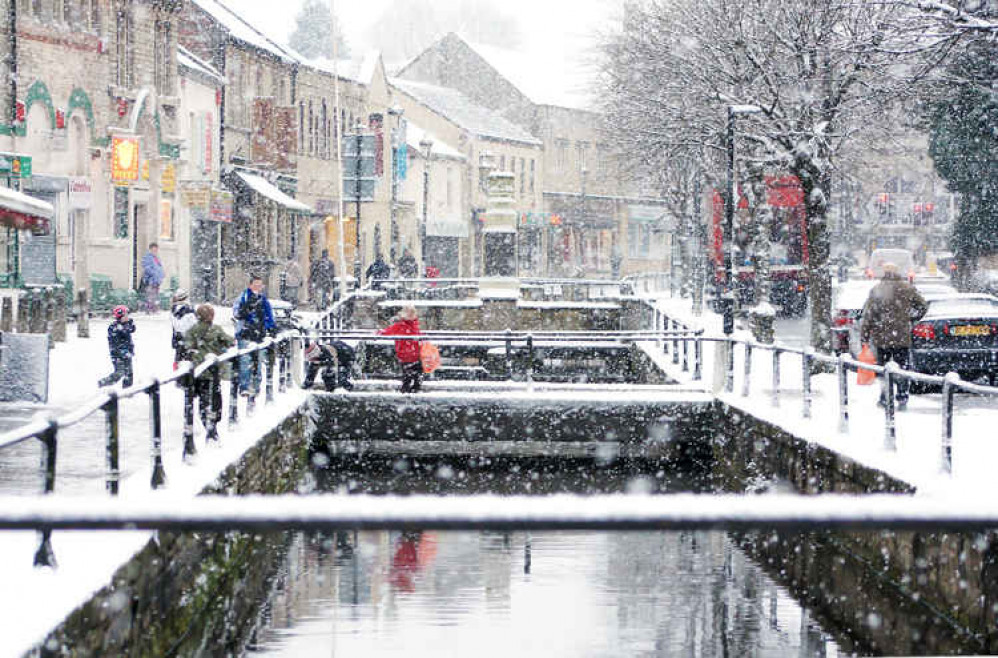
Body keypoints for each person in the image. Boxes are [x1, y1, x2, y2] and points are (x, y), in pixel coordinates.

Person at [860, 262, 927, 410]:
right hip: (901, 337)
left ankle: (885, 397)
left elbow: (869, 315)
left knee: (884, 369)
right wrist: (911, 319)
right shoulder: (907, 288)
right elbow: (923, 306)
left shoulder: (877, 290)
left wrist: (864, 335)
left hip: (881, 337)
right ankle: (902, 396)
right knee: (902, 367)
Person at [183, 304, 235, 439]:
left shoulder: (192, 330)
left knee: (203, 399)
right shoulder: (215, 329)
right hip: (213, 373)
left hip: (199, 372)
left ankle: (205, 420)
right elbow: (230, 341)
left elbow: (187, 346)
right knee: (215, 398)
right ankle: (213, 426)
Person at [233, 275, 276, 396]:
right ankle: (245, 387)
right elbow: (237, 314)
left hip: (259, 336)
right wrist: (245, 311)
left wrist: (267, 328)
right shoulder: (243, 298)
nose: (258, 287)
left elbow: (269, 317)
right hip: (246, 334)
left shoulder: (263, 300)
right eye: (256, 284)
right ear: (250, 285)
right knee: (245, 361)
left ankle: (256, 388)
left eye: (260, 285)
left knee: (258, 362)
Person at [378, 304, 422, 393]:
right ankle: (413, 387)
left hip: (405, 353)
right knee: (415, 373)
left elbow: (387, 332)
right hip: (414, 353)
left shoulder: (400, 326)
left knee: (408, 373)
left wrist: (378, 333)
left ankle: (406, 389)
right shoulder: (414, 325)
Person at [98, 305, 135, 388]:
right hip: (117, 355)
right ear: (120, 316)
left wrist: (129, 322)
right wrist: (123, 352)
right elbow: (115, 344)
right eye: (126, 315)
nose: (128, 317)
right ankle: (102, 383)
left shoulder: (126, 325)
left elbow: (132, 328)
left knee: (129, 374)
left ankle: (128, 391)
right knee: (119, 373)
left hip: (127, 353)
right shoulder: (114, 328)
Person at [170, 288, 197, 368]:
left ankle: (177, 373)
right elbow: (193, 324)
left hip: (178, 339)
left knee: (178, 358)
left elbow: (176, 326)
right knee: (188, 361)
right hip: (188, 339)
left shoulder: (174, 310)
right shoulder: (189, 309)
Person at [140, 242, 165, 314]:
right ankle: (149, 309)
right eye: (153, 250)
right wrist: (154, 274)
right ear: (150, 249)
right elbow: (147, 268)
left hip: (156, 280)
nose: (155, 251)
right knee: (150, 295)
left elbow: (159, 267)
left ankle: (154, 309)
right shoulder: (147, 257)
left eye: (156, 250)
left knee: (155, 295)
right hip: (150, 280)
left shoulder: (156, 258)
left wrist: (162, 274)